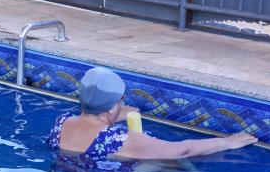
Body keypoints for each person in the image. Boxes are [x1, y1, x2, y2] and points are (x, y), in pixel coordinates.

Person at [47, 67, 257, 161]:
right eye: (120, 102)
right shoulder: (120, 139)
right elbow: (182, 150)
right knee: (164, 164)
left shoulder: (62, 122)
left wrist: (114, 116)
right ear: (111, 108)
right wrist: (227, 142)